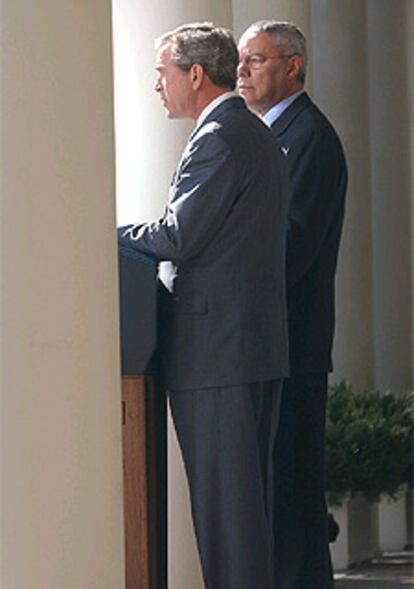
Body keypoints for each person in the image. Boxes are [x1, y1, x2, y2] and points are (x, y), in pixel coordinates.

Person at [119, 22, 290, 589]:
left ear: (195, 74)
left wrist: (108, 232)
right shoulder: (250, 130)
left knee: (227, 520)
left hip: (217, 356)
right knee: (243, 516)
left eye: (161, 73)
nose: (155, 87)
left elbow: (177, 236)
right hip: (244, 351)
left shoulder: (218, 137)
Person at [238, 21, 347, 589]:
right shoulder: (273, 136)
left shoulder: (310, 138)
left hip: (294, 347)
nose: (242, 71)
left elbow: (291, 247)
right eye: (241, 61)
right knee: (281, 500)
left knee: (296, 500)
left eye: (255, 59)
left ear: (293, 66)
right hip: (274, 347)